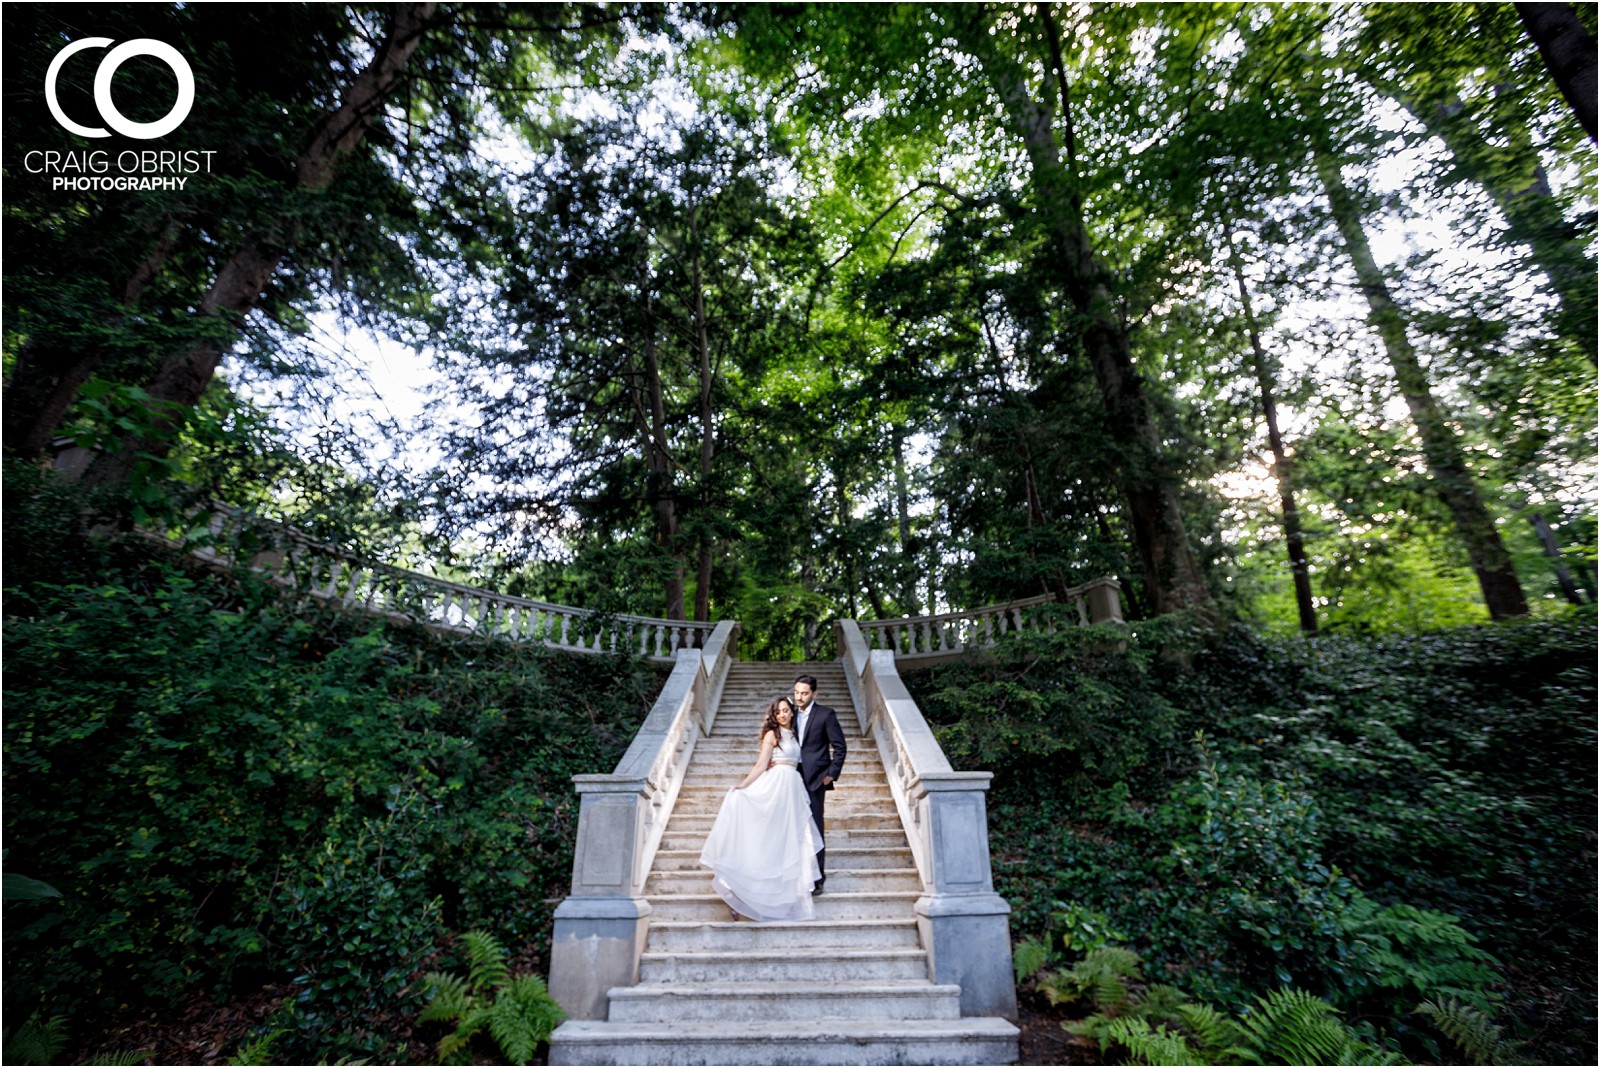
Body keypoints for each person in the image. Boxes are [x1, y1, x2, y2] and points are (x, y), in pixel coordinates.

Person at [699, 696, 823, 921]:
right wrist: (743, 785)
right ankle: (738, 894)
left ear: (791, 712)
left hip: (793, 789)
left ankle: (776, 897)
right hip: (776, 786)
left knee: (785, 843)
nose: (783, 715)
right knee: (768, 840)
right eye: (779, 712)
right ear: (774, 716)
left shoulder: (795, 734)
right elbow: (761, 764)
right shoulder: (771, 735)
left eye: (786, 710)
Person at [791, 674, 846, 894]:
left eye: (804, 693)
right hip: (790, 778)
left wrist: (831, 774)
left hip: (815, 780)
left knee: (814, 827)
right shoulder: (789, 713)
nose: (799, 697)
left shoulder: (826, 715)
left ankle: (817, 880)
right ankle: (794, 876)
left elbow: (840, 747)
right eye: (796, 692)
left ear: (815, 693)